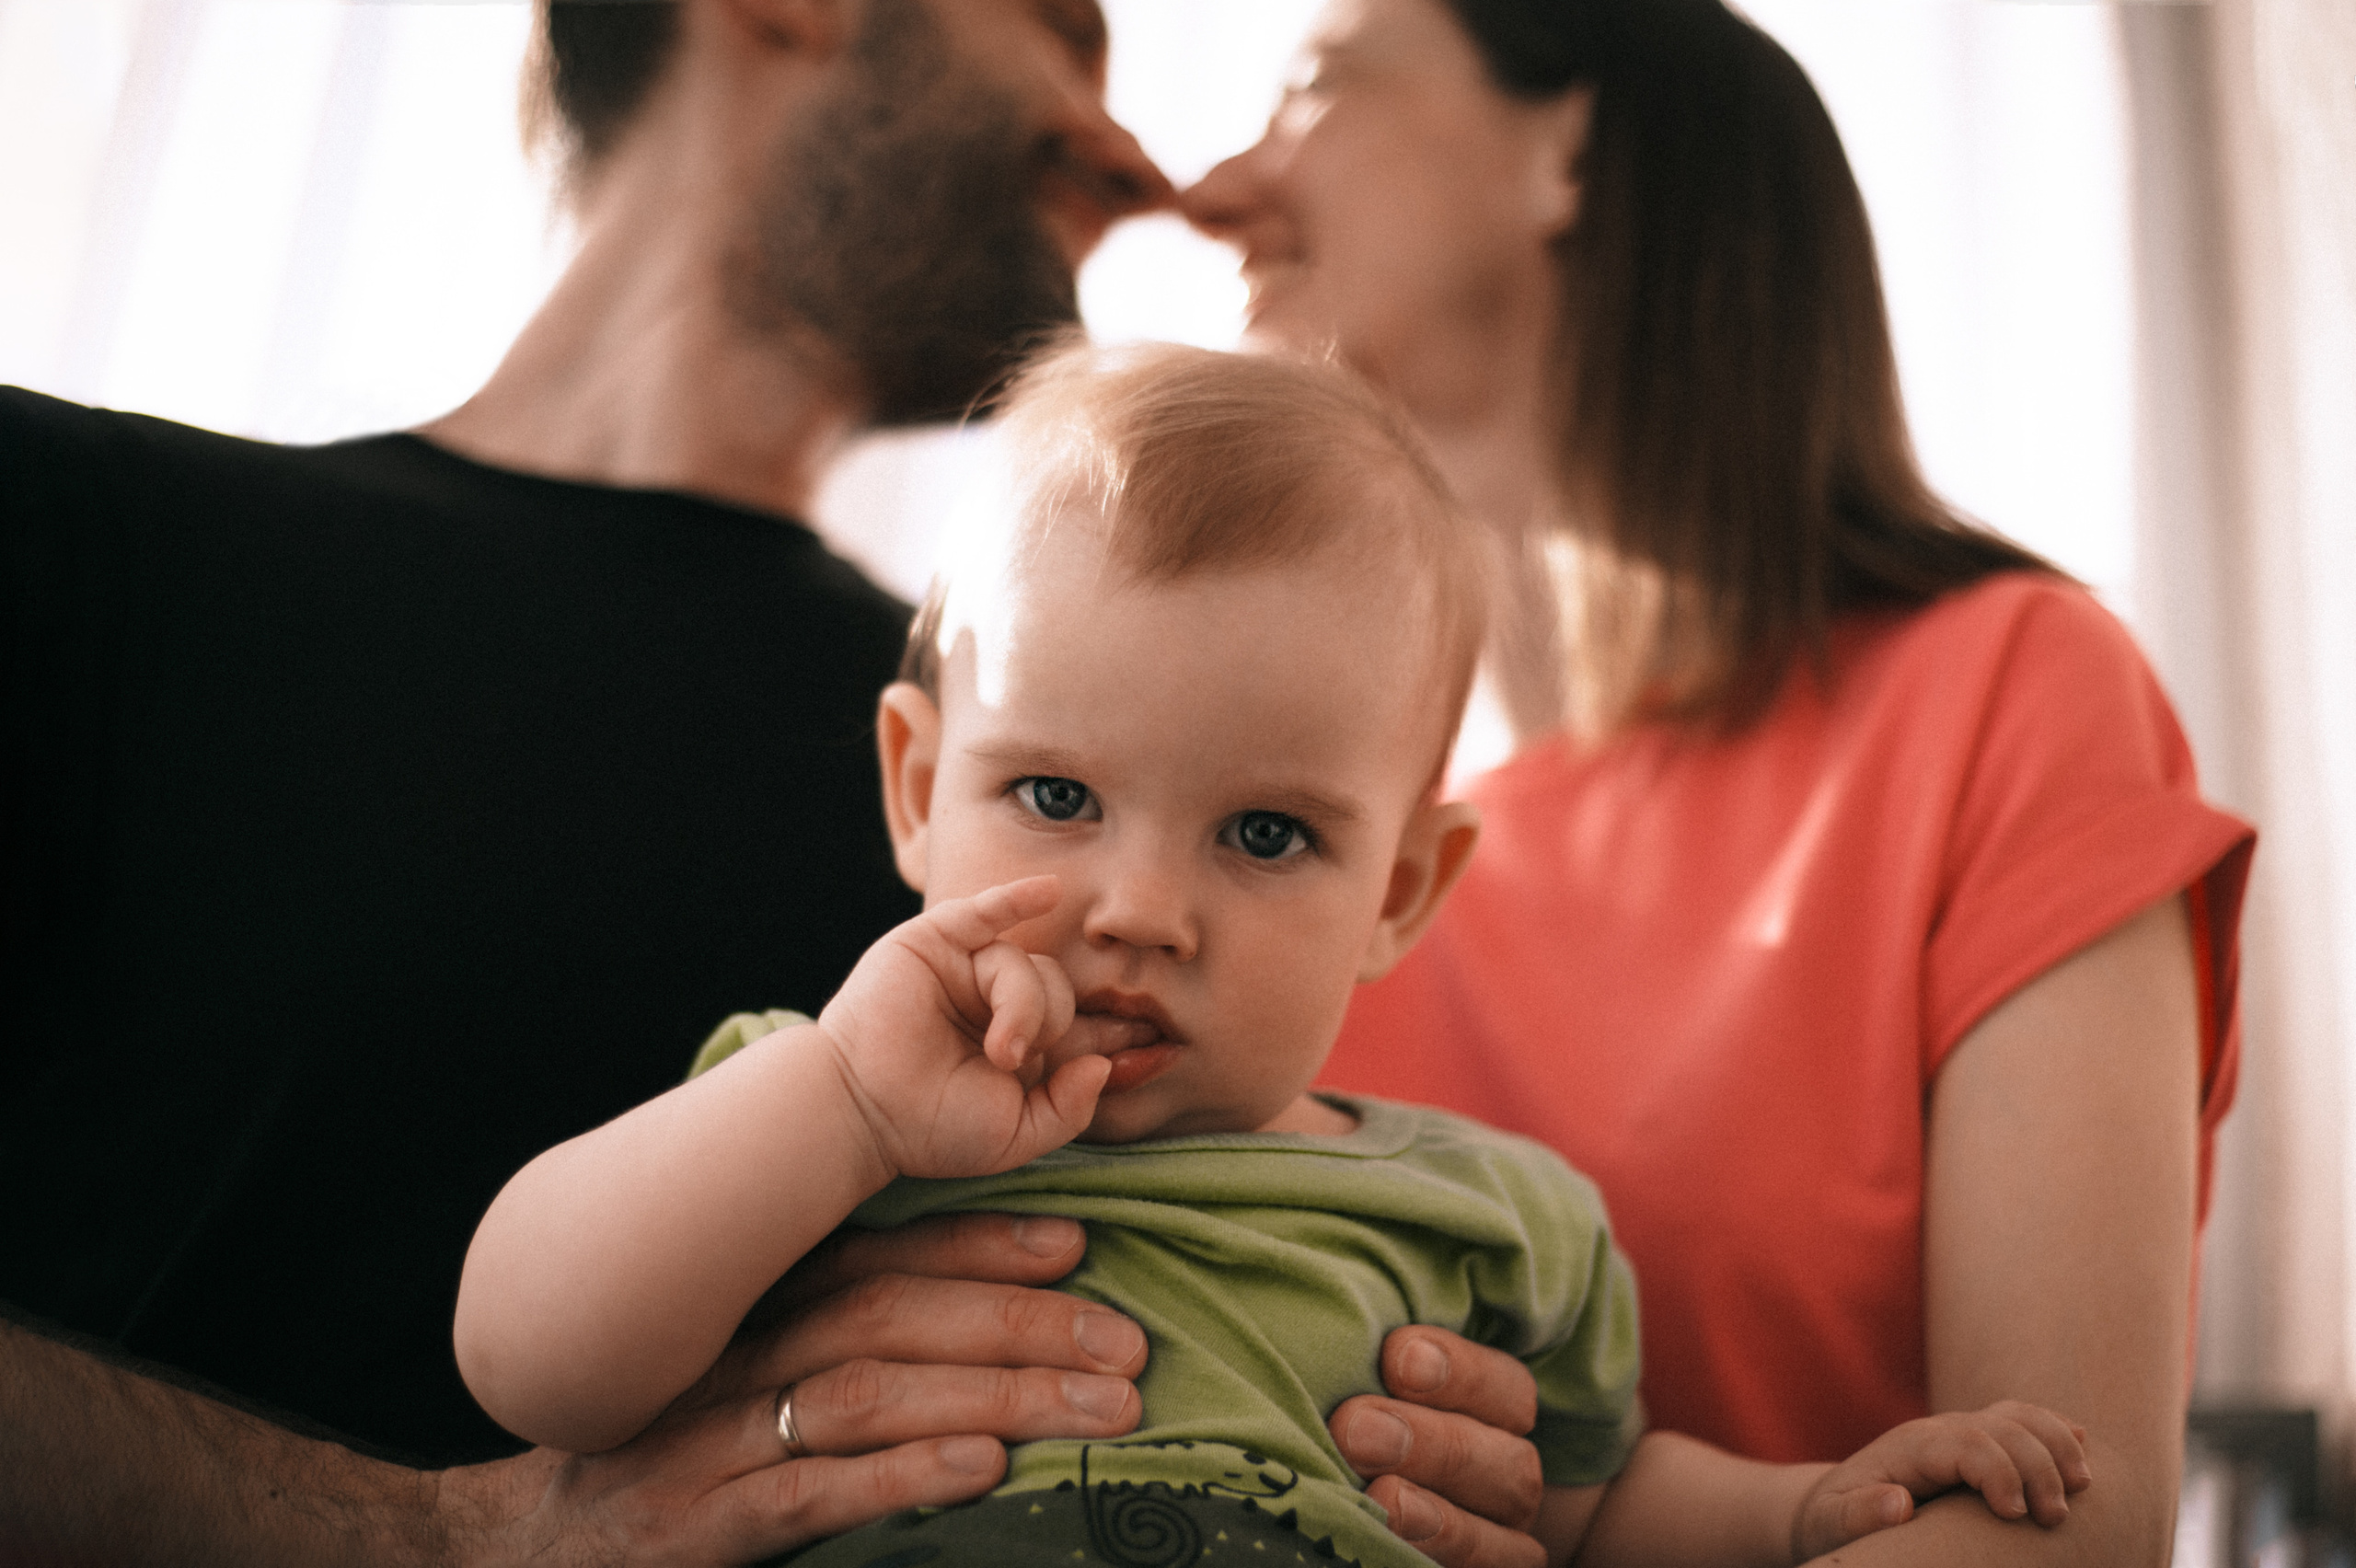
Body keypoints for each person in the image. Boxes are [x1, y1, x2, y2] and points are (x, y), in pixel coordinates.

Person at [0, 5, 1526, 1563]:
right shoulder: (63, 530)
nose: (1145, 169)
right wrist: (427, 1541)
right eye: (1065, 30)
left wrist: (1432, 1441)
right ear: (908, 782)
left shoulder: (1107, 747)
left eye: (1260, 838)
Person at [453, 340, 2096, 1568]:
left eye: (1263, 836)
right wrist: (847, 1115)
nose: (1141, 910)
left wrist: (1813, 1504)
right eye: (1053, 796)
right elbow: (534, 1360)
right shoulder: (816, 1106)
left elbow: (1597, 1509)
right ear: (912, 787)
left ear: (1400, 889)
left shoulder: (1496, 1220)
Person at [1177, 1, 2257, 1564]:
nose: (1216, 185)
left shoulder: (2010, 692)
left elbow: (2060, 1534)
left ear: (1573, 147)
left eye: (1313, 91)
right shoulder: (1271, 833)